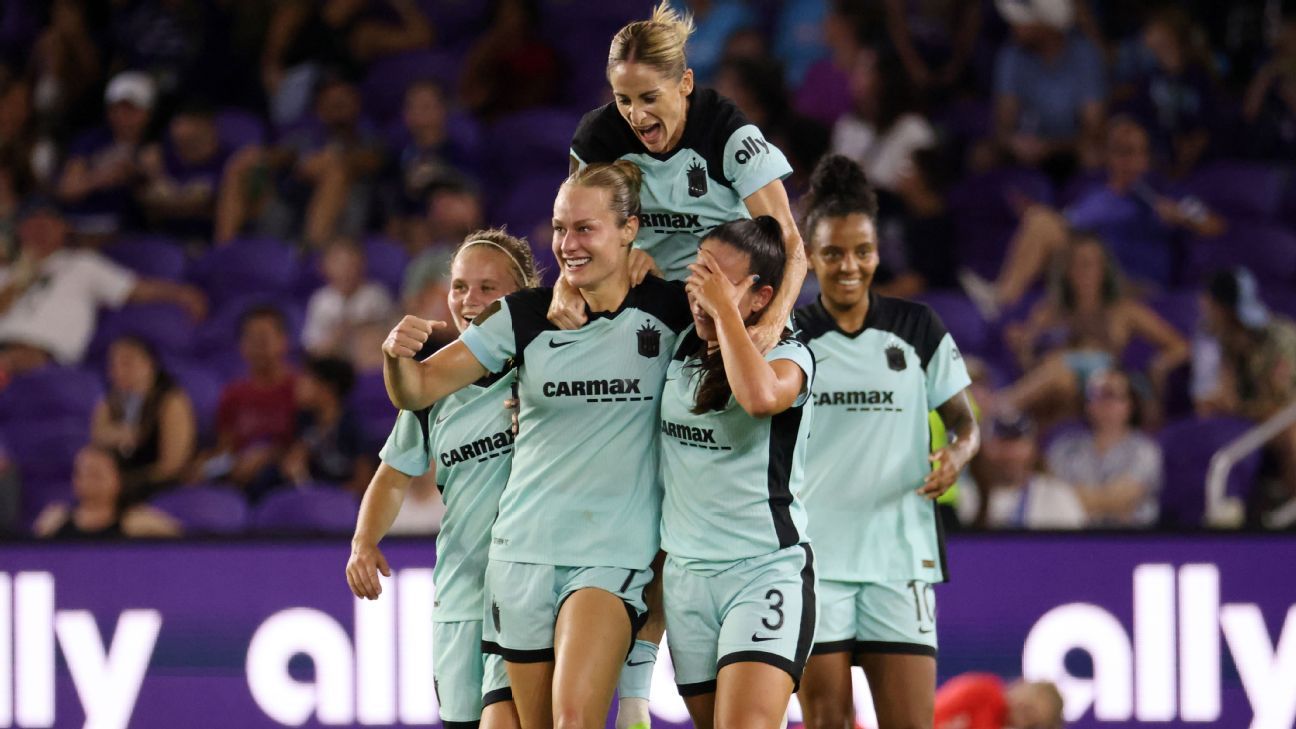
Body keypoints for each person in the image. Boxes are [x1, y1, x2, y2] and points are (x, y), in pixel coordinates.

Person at [381, 162, 693, 729]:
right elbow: (419, 388)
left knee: (574, 717)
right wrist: (395, 358)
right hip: (520, 554)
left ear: (629, 229)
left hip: (610, 554)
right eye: (559, 228)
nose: (568, 244)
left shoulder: (670, 310)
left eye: (585, 228)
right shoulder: (523, 316)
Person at [793, 155, 980, 729]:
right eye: (833, 253)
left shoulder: (918, 327)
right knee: (827, 722)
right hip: (815, 559)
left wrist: (957, 455)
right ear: (811, 256)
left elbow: (966, 424)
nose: (849, 266)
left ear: (877, 252)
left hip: (900, 558)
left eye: (863, 251)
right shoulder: (790, 336)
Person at [348, 227, 540, 729]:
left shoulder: (545, 371)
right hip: (459, 596)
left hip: (528, 591)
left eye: (487, 288)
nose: (469, 300)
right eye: (459, 286)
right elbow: (391, 477)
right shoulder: (432, 387)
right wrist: (364, 542)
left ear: (521, 297)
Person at [560, 1, 806, 354]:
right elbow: (573, 229)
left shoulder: (728, 133)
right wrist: (569, 284)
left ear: (685, 83)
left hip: (731, 304)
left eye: (649, 97)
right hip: (648, 300)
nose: (636, 115)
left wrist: (771, 324)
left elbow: (791, 245)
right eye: (623, 99)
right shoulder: (599, 137)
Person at [657, 217, 816, 729]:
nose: (702, 293)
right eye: (698, 274)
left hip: (763, 572)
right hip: (687, 581)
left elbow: (760, 399)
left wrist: (723, 312)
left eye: (720, 283)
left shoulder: (789, 355)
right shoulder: (677, 348)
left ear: (761, 296)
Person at [961, 116, 1225, 316]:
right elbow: (1067, 225)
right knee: (1039, 219)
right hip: (1092, 270)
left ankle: (1000, 300)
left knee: (1042, 221)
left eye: (1138, 152)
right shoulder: (1096, 196)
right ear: (1109, 157)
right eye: (1123, 153)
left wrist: (1180, 216)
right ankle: (1002, 300)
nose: (1131, 161)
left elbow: (1215, 225)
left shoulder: (1162, 191)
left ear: (1147, 157)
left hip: (1138, 284)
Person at [0, 200, 206, 378]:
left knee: (15, 362)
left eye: (47, 223)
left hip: (42, 354)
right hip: (4, 346)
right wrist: (19, 275)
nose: (39, 230)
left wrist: (181, 293)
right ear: (20, 230)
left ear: (64, 228)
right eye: (32, 224)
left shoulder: (83, 263)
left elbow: (133, 289)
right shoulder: (8, 273)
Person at [998, 232, 1188, 425]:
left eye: (1089, 264)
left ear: (1104, 269)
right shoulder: (1048, 311)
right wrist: (1023, 347)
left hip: (1103, 384)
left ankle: (999, 407)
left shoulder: (1124, 310)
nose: (1083, 272)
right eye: (1075, 264)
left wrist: (1160, 366)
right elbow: (1029, 365)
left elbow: (1180, 346)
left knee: (1061, 368)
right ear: (1066, 271)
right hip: (1061, 389)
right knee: (1061, 383)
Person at [1196, 268, 1296, 526]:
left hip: (1283, 418)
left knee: (1292, 433)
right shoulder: (1211, 338)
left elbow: (1285, 405)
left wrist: (1237, 406)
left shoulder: (1280, 336)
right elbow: (1207, 403)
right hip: (1247, 419)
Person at [190, 305, 297, 498]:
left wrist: (270, 455)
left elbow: (310, 443)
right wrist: (207, 465)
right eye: (251, 339)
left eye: (264, 339)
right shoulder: (233, 394)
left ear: (283, 341)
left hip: (283, 477)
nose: (257, 347)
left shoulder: (301, 390)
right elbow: (226, 448)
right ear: (241, 346)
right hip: (238, 474)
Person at [991, 0, 1106, 176]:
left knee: (1092, 155)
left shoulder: (1085, 55)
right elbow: (1003, 123)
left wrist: (1050, 147)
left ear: (1046, 26)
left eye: (1023, 21)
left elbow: (1093, 128)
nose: (1013, 25)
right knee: (984, 155)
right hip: (1022, 152)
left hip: (1071, 150)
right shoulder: (1011, 55)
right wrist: (1014, 142)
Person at [1046, 368, 1163, 527]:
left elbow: (1123, 498)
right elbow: (1054, 498)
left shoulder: (1146, 450)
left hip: (1130, 537)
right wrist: (1106, 500)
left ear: (1130, 405)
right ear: (1087, 405)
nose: (1106, 403)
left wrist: (1080, 499)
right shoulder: (1064, 448)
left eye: (1113, 395)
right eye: (1097, 395)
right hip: (1075, 536)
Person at [91, 336, 198, 504]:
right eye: (113, 364)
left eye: (127, 363)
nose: (118, 370)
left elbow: (172, 466)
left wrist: (127, 483)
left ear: (149, 364)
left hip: (157, 484)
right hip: (117, 481)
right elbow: (96, 439)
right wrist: (113, 436)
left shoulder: (170, 401)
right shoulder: (110, 400)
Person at [56, 71, 155, 236]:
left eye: (131, 110)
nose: (122, 116)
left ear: (147, 113)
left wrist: (139, 173)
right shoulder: (89, 142)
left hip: (127, 231)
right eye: (117, 108)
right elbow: (67, 190)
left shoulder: (152, 147)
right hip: (82, 224)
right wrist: (102, 177)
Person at [959, 411, 1086, 529]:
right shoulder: (964, 495)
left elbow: (1075, 543)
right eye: (1001, 443)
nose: (1010, 454)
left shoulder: (1056, 496)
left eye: (1018, 444)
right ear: (982, 448)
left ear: (1033, 448)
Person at [34, 445, 181, 538]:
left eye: (96, 474)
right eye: (81, 473)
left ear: (119, 479)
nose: (87, 481)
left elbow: (184, 549)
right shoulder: (55, 520)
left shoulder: (139, 522)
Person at [281, 355, 374, 494]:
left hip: (344, 501)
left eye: (307, 381)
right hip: (311, 496)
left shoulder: (354, 426)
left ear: (328, 388)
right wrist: (296, 468)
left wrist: (331, 500)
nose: (299, 386)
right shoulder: (304, 420)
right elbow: (293, 464)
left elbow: (362, 482)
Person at [301, 237, 394, 362]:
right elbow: (312, 348)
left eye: (351, 263)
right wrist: (338, 336)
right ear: (324, 267)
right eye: (339, 263)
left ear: (362, 264)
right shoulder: (320, 300)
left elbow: (391, 339)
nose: (345, 270)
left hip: (371, 362)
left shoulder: (377, 296)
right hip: (333, 364)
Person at [934, 673, 1064, 729]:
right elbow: (931, 713)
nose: (1026, 719)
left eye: (1033, 721)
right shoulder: (983, 692)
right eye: (1028, 709)